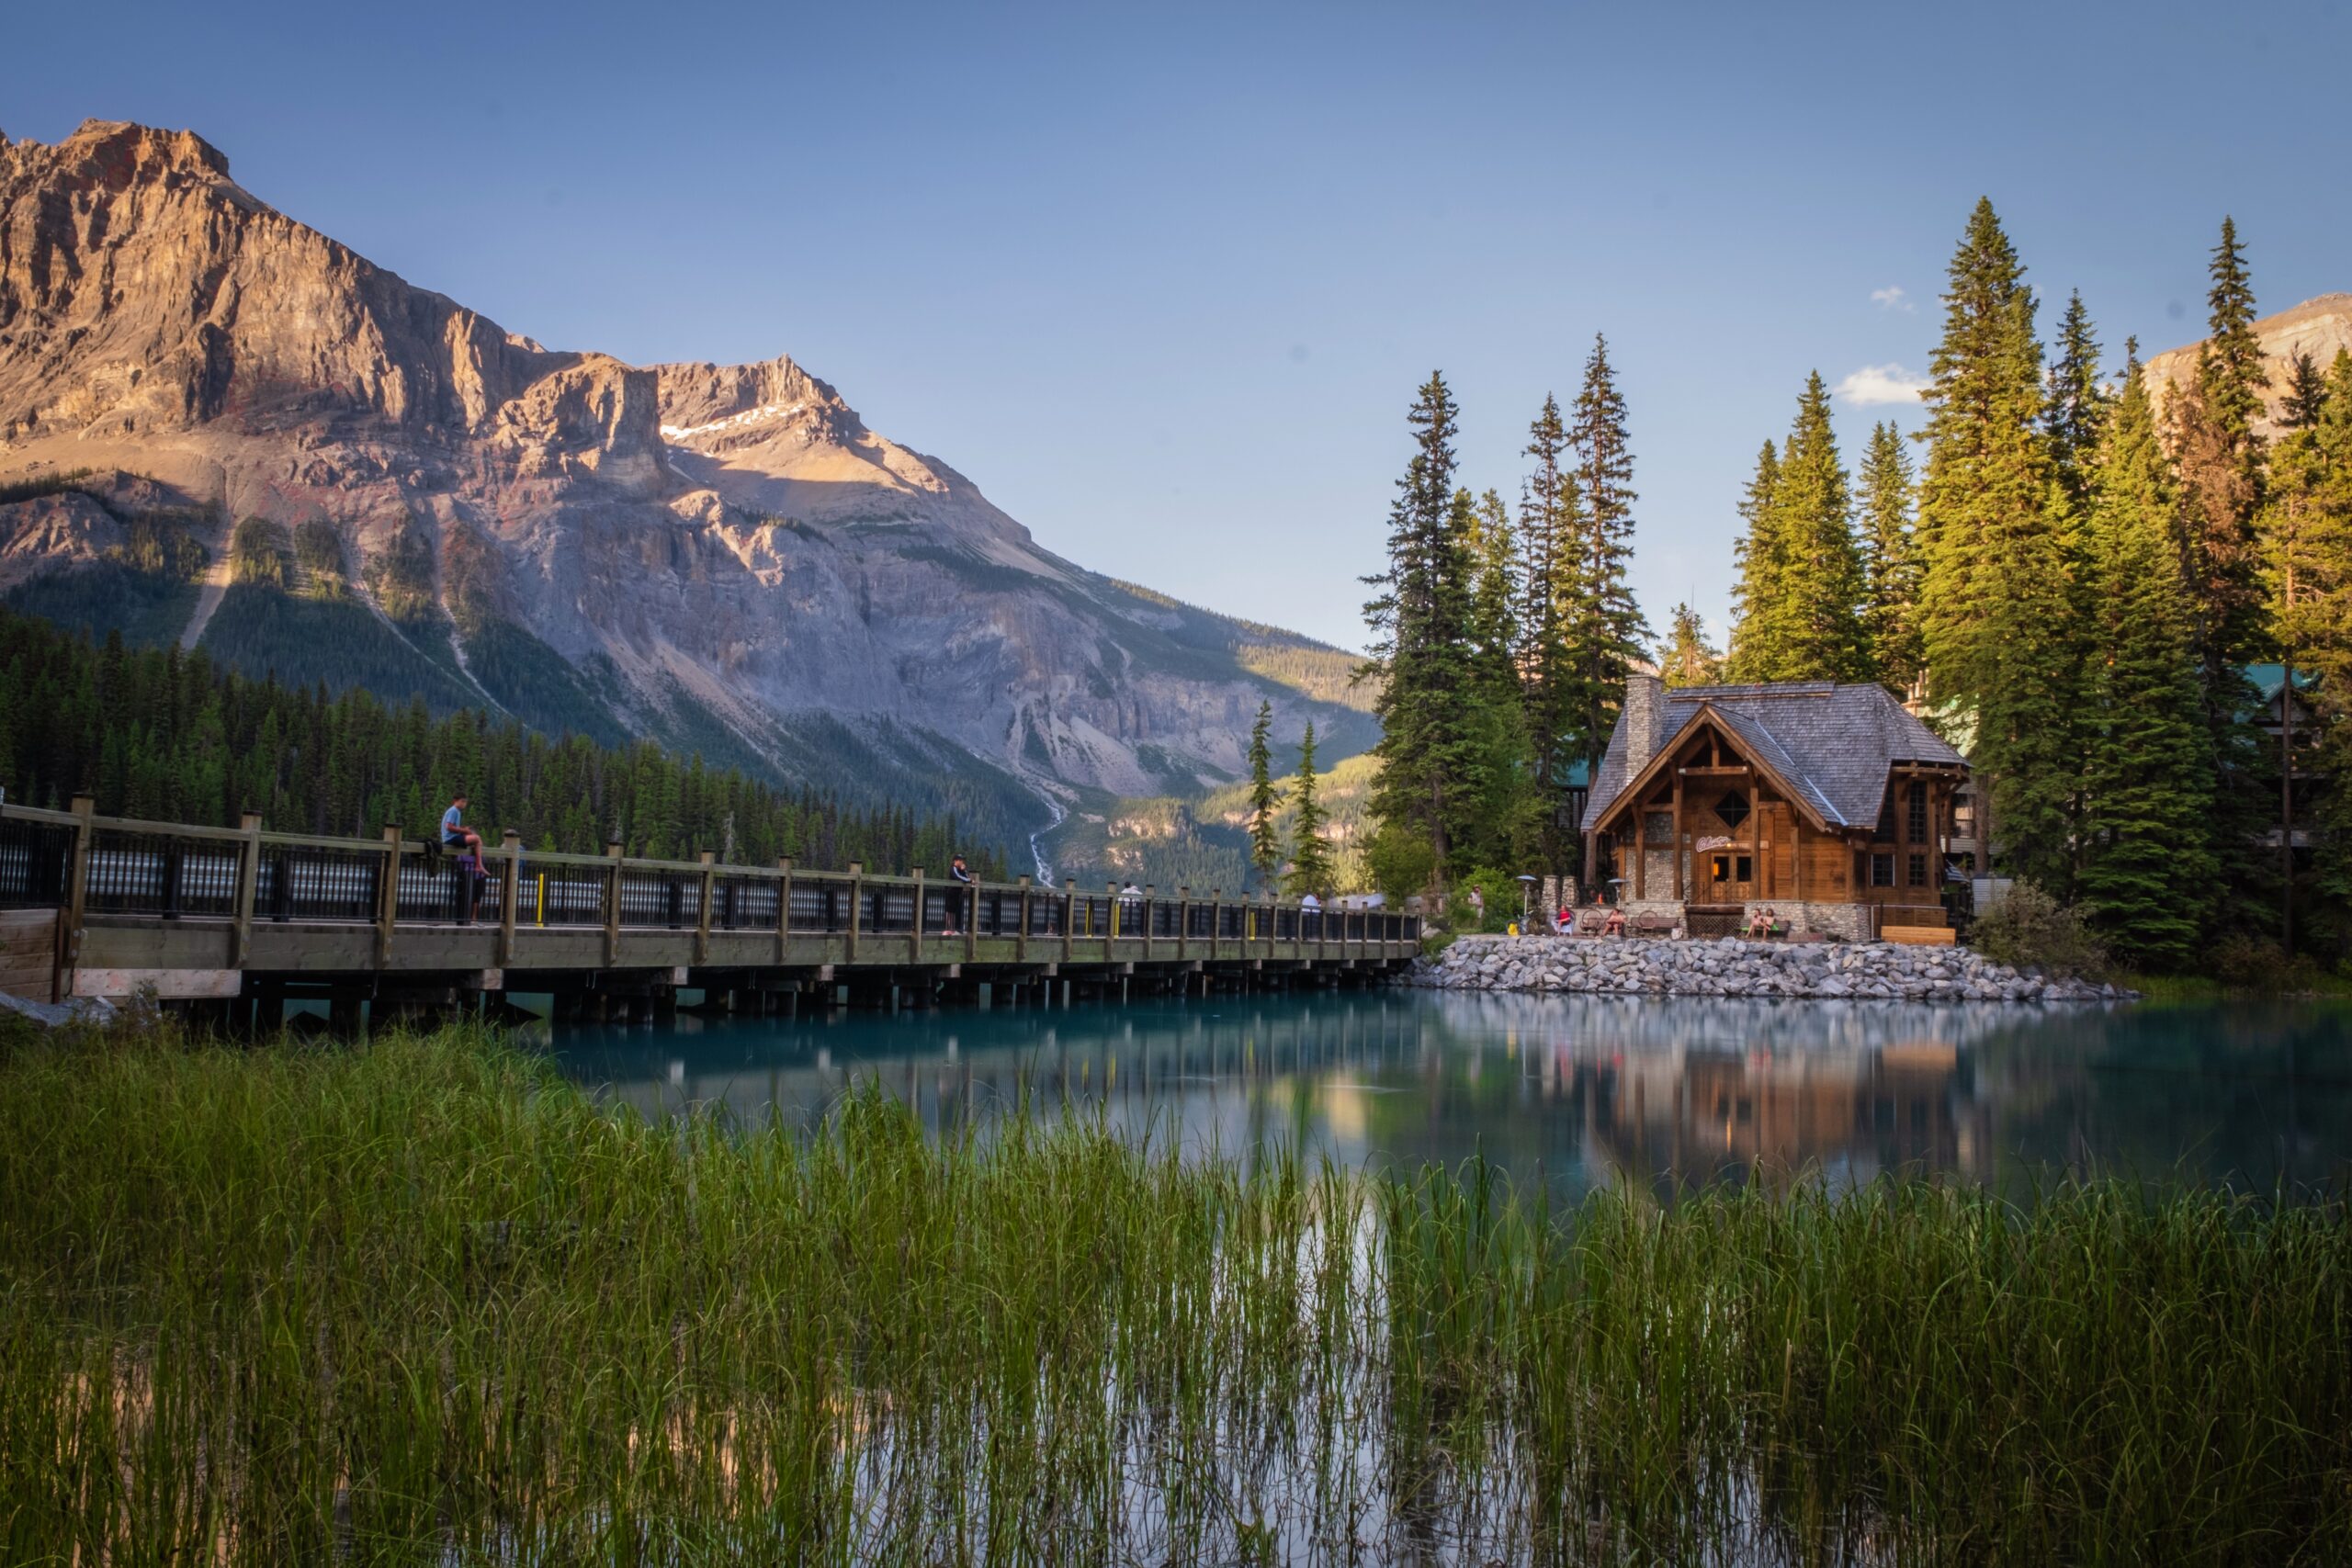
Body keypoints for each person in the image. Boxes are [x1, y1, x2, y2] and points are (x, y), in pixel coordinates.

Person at [440, 792, 485, 921]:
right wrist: (464, 831)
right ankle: (478, 865)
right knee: (476, 838)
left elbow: (453, 827)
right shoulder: (453, 810)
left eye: (465, 802)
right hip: (450, 839)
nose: (464, 804)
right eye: (462, 801)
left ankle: (478, 864)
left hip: (454, 837)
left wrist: (463, 830)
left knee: (476, 840)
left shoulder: (457, 812)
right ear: (455, 801)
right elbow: (448, 827)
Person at [944, 853, 975, 935]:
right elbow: (958, 877)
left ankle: (952, 929)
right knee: (949, 911)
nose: (962, 862)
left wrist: (963, 870)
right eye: (960, 860)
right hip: (951, 892)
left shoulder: (959, 869)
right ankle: (948, 929)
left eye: (962, 860)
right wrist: (970, 881)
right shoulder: (953, 868)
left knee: (954, 911)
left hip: (957, 893)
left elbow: (965, 876)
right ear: (956, 861)